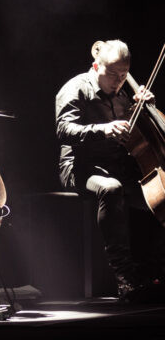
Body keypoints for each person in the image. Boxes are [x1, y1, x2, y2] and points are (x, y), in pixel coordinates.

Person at [55, 39, 165, 302]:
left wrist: (143, 106)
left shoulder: (123, 94)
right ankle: (124, 279)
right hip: (79, 167)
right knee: (111, 188)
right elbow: (63, 131)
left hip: (116, 165)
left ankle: (152, 272)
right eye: (112, 74)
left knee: (155, 198)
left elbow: (135, 130)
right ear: (96, 66)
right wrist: (102, 130)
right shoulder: (75, 88)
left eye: (124, 75)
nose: (118, 81)